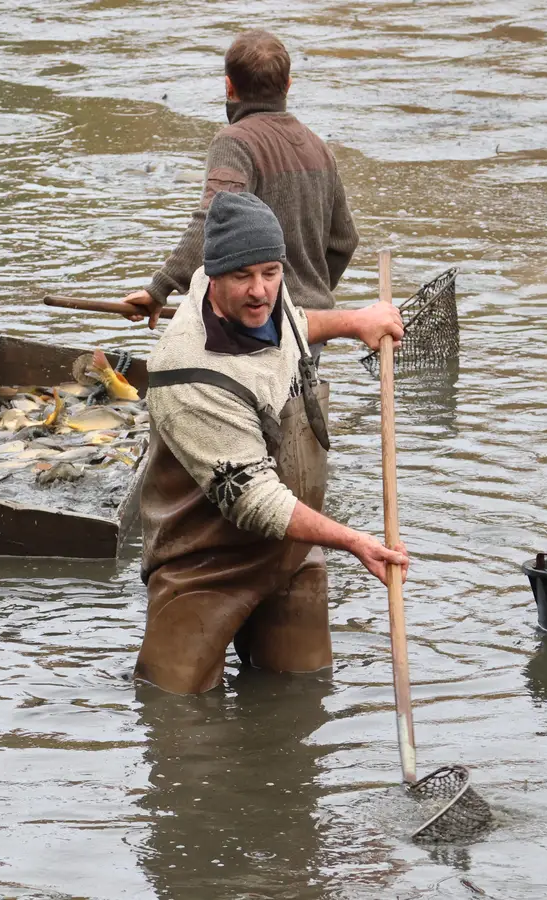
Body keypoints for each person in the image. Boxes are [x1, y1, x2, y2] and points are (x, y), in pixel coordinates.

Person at [137, 191, 407, 694]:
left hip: (295, 552)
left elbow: (294, 326)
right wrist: (354, 542)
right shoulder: (186, 374)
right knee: (176, 721)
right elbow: (255, 500)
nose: (260, 291)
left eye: (270, 272)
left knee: (304, 698)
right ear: (211, 277)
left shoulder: (262, 297)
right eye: (242, 277)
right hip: (205, 568)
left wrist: (356, 321)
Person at [123, 29, 358, 330]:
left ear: (229, 87)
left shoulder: (234, 143)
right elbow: (345, 241)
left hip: (259, 324)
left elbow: (211, 219)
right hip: (312, 327)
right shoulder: (319, 147)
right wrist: (311, 295)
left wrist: (160, 289)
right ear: (287, 86)